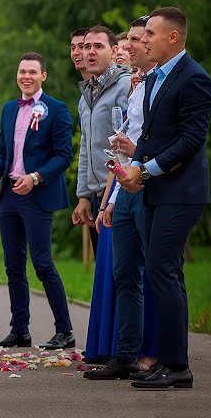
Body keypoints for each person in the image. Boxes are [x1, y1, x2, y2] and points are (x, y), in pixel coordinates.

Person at [117, 7, 211, 390]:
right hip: (156, 190)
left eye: (150, 35)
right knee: (162, 272)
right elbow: (151, 136)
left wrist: (148, 169)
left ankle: (177, 367)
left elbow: (191, 140)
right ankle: (170, 361)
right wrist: (134, 167)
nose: (142, 41)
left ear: (173, 37)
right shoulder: (154, 79)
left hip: (182, 192)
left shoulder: (194, 78)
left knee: (161, 270)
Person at [84, 17, 158, 381]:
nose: (128, 46)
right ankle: (125, 355)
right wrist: (109, 199)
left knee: (154, 273)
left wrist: (137, 156)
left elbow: (162, 142)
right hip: (123, 189)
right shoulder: (137, 87)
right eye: (126, 40)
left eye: (135, 39)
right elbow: (126, 149)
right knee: (123, 274)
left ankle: (159, 355)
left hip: (150, 186)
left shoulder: (159, 83)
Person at [0, 53, 75, 351]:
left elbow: (64, 155)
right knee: (13, 266)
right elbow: (3, 148)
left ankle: (64, 330)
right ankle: (20, 330)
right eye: (22, 71)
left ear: (43, 76)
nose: (26, 76)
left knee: (42, 263)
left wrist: (36, 177)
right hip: (9, 196)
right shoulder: (9, 109)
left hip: (36, 195)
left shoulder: (57, 110)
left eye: (32, 72)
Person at [73, 25, 131, 364]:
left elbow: (128, 145)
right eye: (85, 46)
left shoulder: (125, 86)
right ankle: (110, 346)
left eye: (98, 46)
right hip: (96, 195)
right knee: (106, 273)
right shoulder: (86, 94)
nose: (90, 52)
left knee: (123, 272)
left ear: (112, 51)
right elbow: (86, 147)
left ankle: (125, 350)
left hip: (122, 191)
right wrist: (83, 196)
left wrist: (113, 195)